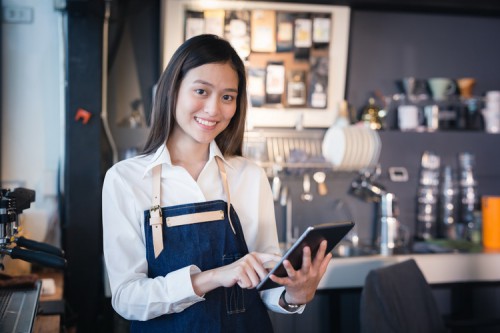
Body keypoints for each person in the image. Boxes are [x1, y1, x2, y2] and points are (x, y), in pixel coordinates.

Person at [102, 34, 332, 332]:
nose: (213, 109)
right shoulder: (126, 179)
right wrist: (213, 277)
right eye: (201, 91)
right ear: (173, 90)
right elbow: (126, 298)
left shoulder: (249, 176)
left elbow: (267, 283)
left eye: (227, 97)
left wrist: (295, 294)